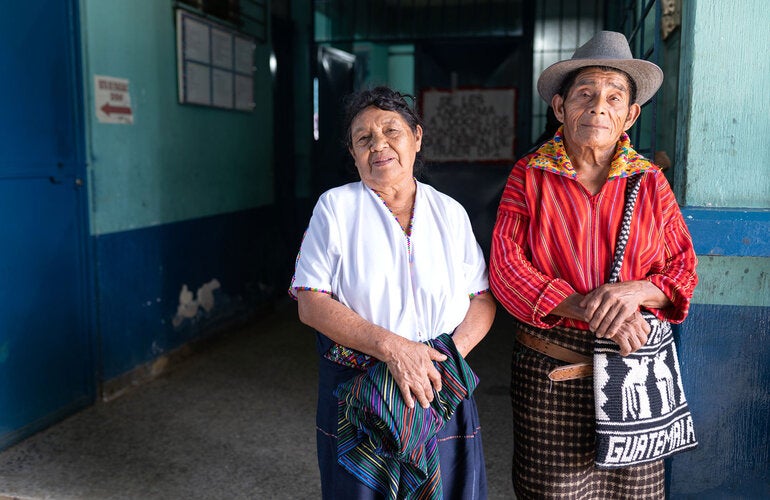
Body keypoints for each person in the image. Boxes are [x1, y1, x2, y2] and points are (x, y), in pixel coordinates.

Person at [489, 31, 698, 498]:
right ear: (560, 108)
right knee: (553, 491)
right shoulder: (529, 176)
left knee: (635, 494)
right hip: (552, 374)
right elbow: (506, 271)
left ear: (630, 114)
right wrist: (592, 310)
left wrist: (634, 293)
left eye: (613, 97)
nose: (598, 106)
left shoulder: (650, 183)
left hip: (633, 371)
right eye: (585, 94)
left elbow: (682, 270)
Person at [290, 86, 496, 499]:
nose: (378, 145)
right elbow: (311, 301)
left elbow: (482, 298)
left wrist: (441, 361)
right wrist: (396, 350)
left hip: (440, 382)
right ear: (352, 153)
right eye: (364, 138)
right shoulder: (336, 208)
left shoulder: (449, 212)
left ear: (416, 138)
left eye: (391, 131)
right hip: (362, 390)